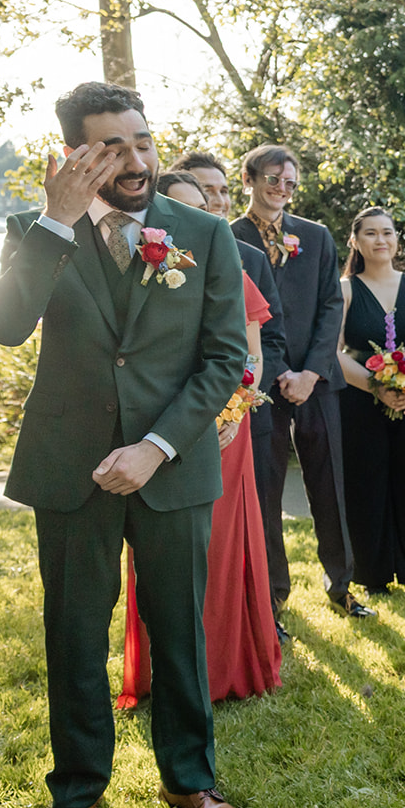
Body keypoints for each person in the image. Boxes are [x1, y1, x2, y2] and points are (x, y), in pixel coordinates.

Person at [0, 82, 250, 808]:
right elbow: (2, 328)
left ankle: (189, 780)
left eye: (142, 140)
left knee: (178, 630)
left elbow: (224, 358)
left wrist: (156, 446)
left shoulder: (204, 231)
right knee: (72, 634)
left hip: (170, 467)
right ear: (76, 155)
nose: (136, 161)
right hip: (70, 466)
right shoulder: (33, 230)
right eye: (113, 147)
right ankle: (74, 796)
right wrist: (57, 222)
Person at [117, 172, 282, 706]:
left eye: (204, 205)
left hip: (226, 426)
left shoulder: (225, 262)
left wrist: (233, 408)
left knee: (223, 548)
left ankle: (228, 666)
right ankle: (158, 675)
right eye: (181, 205)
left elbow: (248, 354)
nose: (197, 216)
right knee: (161, 555)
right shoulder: (132, 266)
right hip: (151, 428)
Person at [231, 145, 370, 619]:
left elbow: (332, 305)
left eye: (290, 183)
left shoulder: (316, 236)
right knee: (265, 490)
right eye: (273, 178)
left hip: (316, 379)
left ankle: (342, 585)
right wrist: (276, 372)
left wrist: (311, 372)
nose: (281, 189)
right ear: (248, 179)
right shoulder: (226, 237)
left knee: (330, 482)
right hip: (260, 384)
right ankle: (273, 594)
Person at [171, 151, 290, 639]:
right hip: (164, 424)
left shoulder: (246, 264)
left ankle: (247, 632)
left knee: (237, 537)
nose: (212, 203)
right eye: (201, 194)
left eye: (218, 193)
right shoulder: (146, 260)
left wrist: (235, 409)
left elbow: (259, 348)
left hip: (231, 422)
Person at [335, 207, 405, 593]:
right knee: (366, 483)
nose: (380, 240)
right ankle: (372, 576)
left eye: (387, 232)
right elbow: (332, 351)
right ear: (355, 241)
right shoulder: (346, 289)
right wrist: (376, 386)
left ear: (397, 239)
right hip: (360, 402)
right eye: (370, 233)